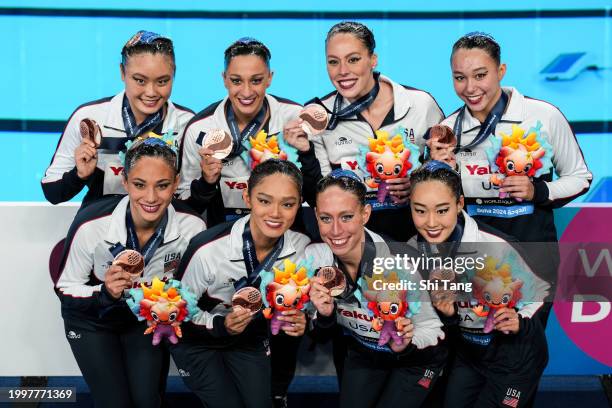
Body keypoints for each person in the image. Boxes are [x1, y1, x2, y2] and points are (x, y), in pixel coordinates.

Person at [53, 137, 206, 407]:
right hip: (92, 321)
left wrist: (175, 300)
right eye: (139, 185)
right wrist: (105, 292)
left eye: (162, 185)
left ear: (176, 183)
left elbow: (195, 288)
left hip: (142, 322)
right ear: (124, 182)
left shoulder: (192, 227)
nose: (150, 198)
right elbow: (65, 288)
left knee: (147, 400)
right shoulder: (92, 226)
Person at [407, 161, 550, 408]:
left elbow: (542, 291)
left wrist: (521, 320)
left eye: (442, 210)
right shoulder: (411, 250)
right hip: (469, 356)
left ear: (459, 204)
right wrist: (449, 315)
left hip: (514, 359)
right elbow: (436, 319)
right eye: (420, 211)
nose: (431, 223)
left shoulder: (494, 246)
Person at [428, 31, 592, 244]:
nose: (470, 88)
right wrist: (442, 172)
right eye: (460, 78)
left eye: (480, 75)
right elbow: (437, 203)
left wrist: (537, 190)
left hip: (534, 254)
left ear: (500, 71)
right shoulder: (448, 131)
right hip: (472, 255)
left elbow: (580, 178)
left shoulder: (543, 116)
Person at [171, 160, 311, 408]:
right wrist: (221, 325)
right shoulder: (207, 249)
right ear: (247, 197)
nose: (276, 213)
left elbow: (305, 304)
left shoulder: (301, 247)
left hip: (249, 339)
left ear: (299, 204)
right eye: (264, 201)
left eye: (287, 204)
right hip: (199, 341)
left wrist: (304, 319)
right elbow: (175, 313)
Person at [307, 169, 447, 408]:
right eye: (326, 218)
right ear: (316, 216)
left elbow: (435, 330)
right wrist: (325, 316)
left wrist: (407, 345)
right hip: (364, 353)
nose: (336, 230)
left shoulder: (402, 262)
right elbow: (318, 336)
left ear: (365, 214)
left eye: (347, 217)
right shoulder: (312, 259)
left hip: (415, 361)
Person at [298, 21, 444, 241]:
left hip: (416, 241)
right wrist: (304, 150)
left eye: (353, 59)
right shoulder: (319, 114)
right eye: (333, 62)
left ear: (372, 60)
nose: (343, 71)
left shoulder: (420, 105)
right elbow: (318, 195)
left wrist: (417, 184)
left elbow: (447, 173)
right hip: (352, 245)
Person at [178, 37, 320, 226]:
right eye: (236, 81)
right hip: (224, 240)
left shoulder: (294, 118)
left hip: (287, 238)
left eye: (256, 80)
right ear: (224, 79)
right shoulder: (200, 129)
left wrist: (306, 153)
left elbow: (317, 199)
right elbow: (185, 210)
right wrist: (206, 182)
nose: (246, 92)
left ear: (270, 78)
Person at [42, 30, 194, 206]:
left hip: (163, 228)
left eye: (162, 81)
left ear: (174, 74)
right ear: (122, 72)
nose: (151, 92)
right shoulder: (90, 118)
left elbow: (191, 200)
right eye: (140, 80)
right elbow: (52, 192)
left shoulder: (187, 124)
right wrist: (79, 174)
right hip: (100, 225)